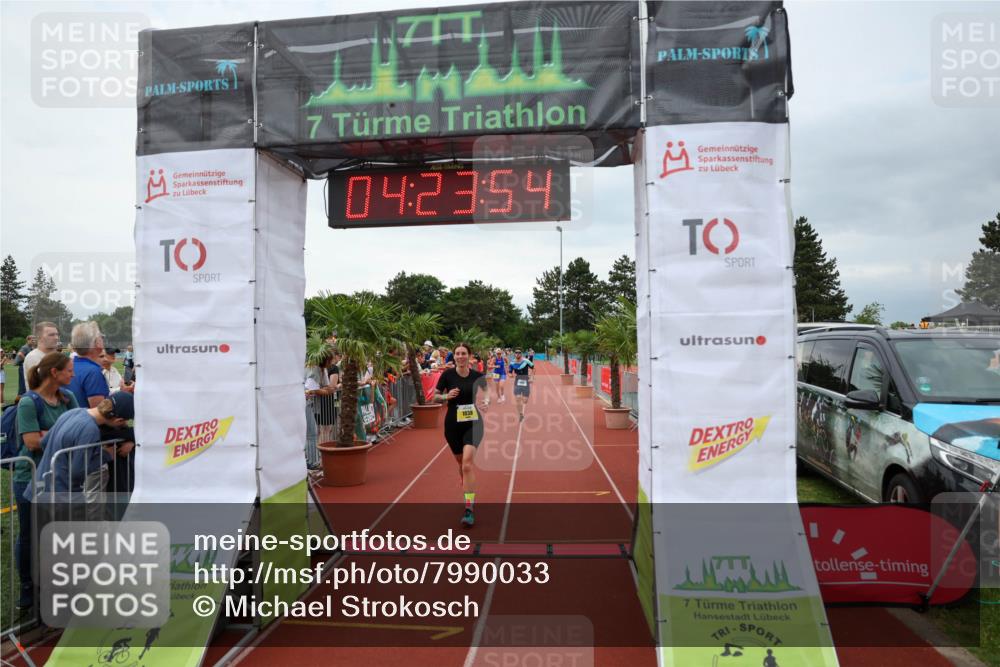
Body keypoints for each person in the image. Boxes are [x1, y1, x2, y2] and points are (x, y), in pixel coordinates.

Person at [12, 351, 78, 610]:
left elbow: (83, 428)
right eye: (69, 370)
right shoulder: (29, 402)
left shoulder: (68, 397)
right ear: (55, 372)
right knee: (29, 534)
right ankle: (28, 589)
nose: (73, 375)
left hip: (59, 479)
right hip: (30, 478)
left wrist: (49, 433)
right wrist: (63, 433)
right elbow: (31, 442)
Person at [31, 391, 133, 502]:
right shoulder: (90, 429)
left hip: (39, 486)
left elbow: (44, 442)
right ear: (119, 420)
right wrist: (105, 455)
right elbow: (77, 472)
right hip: (61, 496)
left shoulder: (75, 411)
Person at [433, 342, 489, 527]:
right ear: (454, 356)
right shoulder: (447, 375)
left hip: (473, 423)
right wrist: (445, 397)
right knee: (461, 463)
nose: (460, 356)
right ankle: (466, 484)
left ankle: (469, 508)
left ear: (469, 355)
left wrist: (486, 402)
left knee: (466, 465)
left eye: (463, 353)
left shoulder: (477, 376)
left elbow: (487, 392)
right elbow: (434, 396)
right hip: (452, 425)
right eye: (457, 353)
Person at [66, 321, 109, 408]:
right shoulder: (93, 372)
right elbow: (99, 412)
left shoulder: (70, 366)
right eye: (101, 337)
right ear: (97, 343)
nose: (103, 339)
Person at [23, 321, 60, 386]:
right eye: (51, 335)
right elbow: (45, 384)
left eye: (57, 334)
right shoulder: (33, 357)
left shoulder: (57, 356)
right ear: (39, 337)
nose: (56, 338)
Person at [509, 349, 534, 422]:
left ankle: (522, 409)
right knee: (518, 398)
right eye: (516, 353)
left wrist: (531, 377)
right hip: (517, 380)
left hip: (526, 380)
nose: (517, 354)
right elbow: (510, 372)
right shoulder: (512, 363)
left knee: (525, 400)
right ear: (514, 354)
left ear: (521, 354)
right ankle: (520, 414)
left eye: (519, 353)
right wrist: (510, 375)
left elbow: (533, 368)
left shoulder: (526, 361)